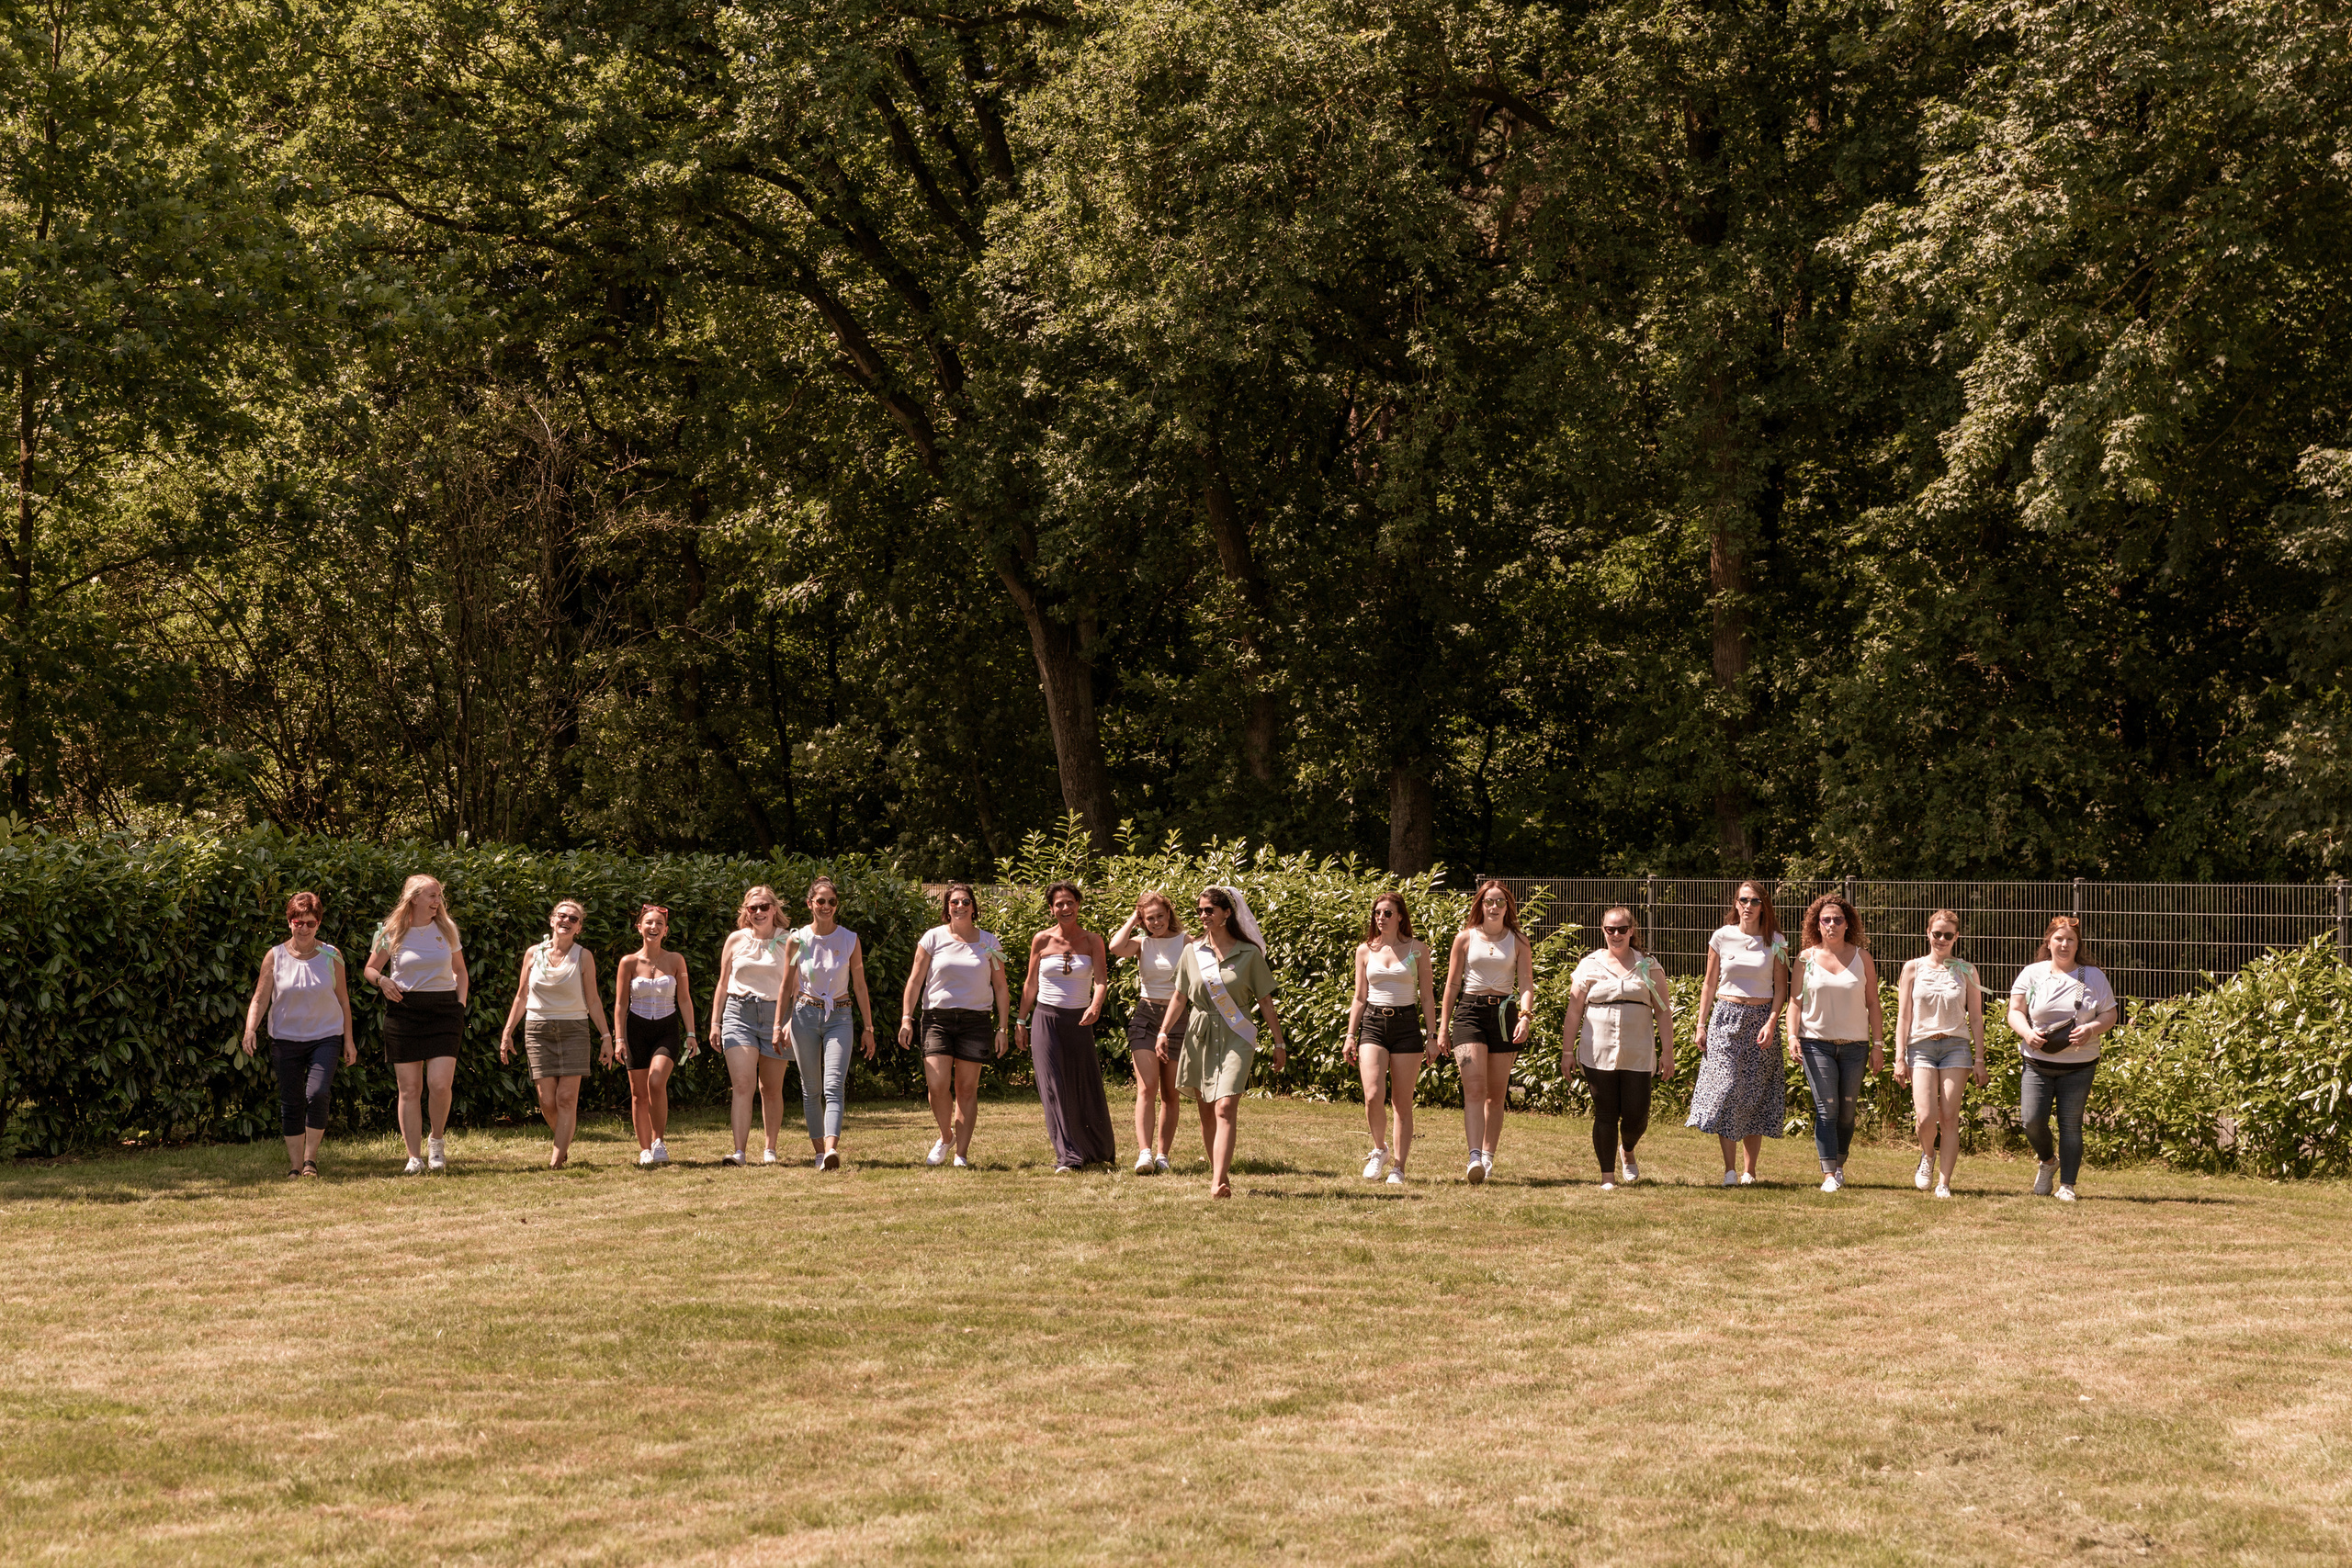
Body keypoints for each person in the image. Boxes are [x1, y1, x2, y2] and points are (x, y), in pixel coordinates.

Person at [1153, 885, 1286, 1198]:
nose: (1203, 916)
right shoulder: (1192, 952)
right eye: (1199, 911)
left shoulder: (1249, 953)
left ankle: (1218, 1182)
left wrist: (1279, 1043)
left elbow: (1265, 1001)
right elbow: (1180, 995)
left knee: (1225, 1105)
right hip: (1199, 1032)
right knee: (1206, 1109)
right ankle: (1221, 1175)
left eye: (1209, 910)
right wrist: (1163, 1031)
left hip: (1236, 1034)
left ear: (1227, 913)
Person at [240, 891, 357, 1179]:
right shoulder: (275, 956)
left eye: (310, 922)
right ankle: (295, 1165)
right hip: (285, 1038)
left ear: (318, 923)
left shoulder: (332, 955)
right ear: (289, 921)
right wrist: (250, 1029)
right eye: (297, 921)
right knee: (291, 1100)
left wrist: (349, 1040)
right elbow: (259, 998)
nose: (303, 928)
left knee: (317, 1094)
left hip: (325, 1037)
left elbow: (343, 1000)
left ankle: (310, 1162)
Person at [1559, 906, 1675, 1189]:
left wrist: (1668, 1052)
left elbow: (1663, 1011)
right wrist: (1566, 1051)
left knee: (1637, 1115)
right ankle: (1607, 1177)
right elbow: (1574, 1010)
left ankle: (1628, 1148)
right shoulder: (1589, 965)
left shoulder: (1648, 965)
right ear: (1603, 931)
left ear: (1632, 931)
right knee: (1606, 1112)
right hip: (1597, 1051)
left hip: (1638, 1051)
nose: (1616, 934)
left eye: (1622, 929)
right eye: (1610, 929)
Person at [364, 874, 470, 1174]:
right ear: (414, 898)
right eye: (432, 896)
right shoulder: (392, 931)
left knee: (439, 1084)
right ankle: (414, 1157)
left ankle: (436, 1142)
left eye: (438, 896)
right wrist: (383, 981)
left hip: (444, 1012)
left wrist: (459, 1005)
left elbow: (460, 971)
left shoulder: (447, 929)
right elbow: (370, 969)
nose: (437, 902)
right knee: (409, 1089)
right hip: (404, 1012)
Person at [497, 898, 614, 1168]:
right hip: (537, 1030)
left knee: (566, 1098)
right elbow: (522, 996)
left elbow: (594, 1000)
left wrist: (606, 1037)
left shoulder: (583, 956)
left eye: (574, 919)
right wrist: (507, 1032)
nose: (567, 921)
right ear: (552, 920)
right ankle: (564, 1142)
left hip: (574, 1029)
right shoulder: (532, 954)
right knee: (547, 1101)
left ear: (579, 928)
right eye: (562, 916)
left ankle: (556, 1159)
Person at [899, 883, 1009, 1168]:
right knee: (937, 1085)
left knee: (967, 1088)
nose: (959, 906)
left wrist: (1003, 1028)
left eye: (965, 901)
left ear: (974, 907)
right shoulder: (932, 938)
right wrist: (906, 1018)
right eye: (954, 902)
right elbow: (915, 980)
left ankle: (961, 1153)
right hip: (937, 1019)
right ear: (947, 908)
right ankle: (946, 1137)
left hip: (976, 1021)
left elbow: (1001, 987)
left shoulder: (989, 943)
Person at [2008, 915, 2118, 1201]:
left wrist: (2092, 1028)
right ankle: (2047, 1161)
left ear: (2078, 944)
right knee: (2031, 1120)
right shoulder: (2033, 974)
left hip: (2079, 1065)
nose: (2064, 944)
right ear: (2049, 941)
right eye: (2059, 938)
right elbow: (2016, 1010)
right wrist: (2026, 1033)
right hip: (2036, 1062)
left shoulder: (2093, 976)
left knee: (2070, 1124)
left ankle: (2067, 1185)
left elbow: (2110, 1014)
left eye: (2071, 939)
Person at [1688, 880, 1791, 1185]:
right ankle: (1729, 1169)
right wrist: (1700, 1023)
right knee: (1728, 1087)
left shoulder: (1777, 942)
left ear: (1764, 906)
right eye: (1743, 900)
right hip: (1724, 1018)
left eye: (1755, 901)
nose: (1748, 905)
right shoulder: (1722, 937)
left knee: (1754, 1094)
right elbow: (1709, 983)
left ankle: (1749, 1171)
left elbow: (1781, 987)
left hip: (1760, 1019)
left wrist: (1772, 1022)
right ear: (1736, 904)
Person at [776, 875, 877, 1169]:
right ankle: (819, 1152)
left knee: (834, 1085)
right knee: (811, 1089)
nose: (826, 906)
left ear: (837, 905)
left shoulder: (850, 939)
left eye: (832, 902)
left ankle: (832, 1150)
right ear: (810, 904)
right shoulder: (797, 939)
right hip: (804, 1014)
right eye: (820, 901)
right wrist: (777, 1024)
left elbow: (860, 986)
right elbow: (785, 986)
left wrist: (868, 1028)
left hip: (840, 1015)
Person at [1438, 878, 1535, 1185]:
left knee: (1496, 1094)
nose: (1493, 907)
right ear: (1480, 905)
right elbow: (1452, 984)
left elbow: (1526, 984)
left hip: (1505, 1015)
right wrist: (1442, 1027)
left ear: (1508, 906)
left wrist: (1525, 1016)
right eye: (1488, 901)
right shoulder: (1465, 938)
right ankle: (1474, 1157)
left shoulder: (1518, 941)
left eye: (1500, 902)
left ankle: (1489, 1158)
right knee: (1475, 1089)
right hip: (1469, 1013)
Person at [1017, 880, 1117, 1173]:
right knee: (1054, 1087)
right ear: (1051, 909)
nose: (1065, 908)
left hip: (1080, 1019)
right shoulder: (1042, 940)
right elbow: (1030, 984)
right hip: (1046, 1020)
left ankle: (1097, 1149)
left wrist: (1095, 1005)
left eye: (1070, 902)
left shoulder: (1092, 941)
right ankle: (1069, 1157)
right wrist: (1021, 1021)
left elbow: (1100, 981)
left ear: (1078, 905)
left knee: (1084, 1084)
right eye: (1059, 904)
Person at [1786, 893, 1883, 1194]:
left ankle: (1840, 1164)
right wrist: (1791, 1036)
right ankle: (1828, 1173)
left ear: (1847, 923)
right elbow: (1795, 1002)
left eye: (1837, 919)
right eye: (1826, 919)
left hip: (1856, 1046)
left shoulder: (1862, 957)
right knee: (1826, 1108)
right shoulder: (1805, 958)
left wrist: (1878, 1045)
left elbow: (1873, 1003)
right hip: (1816, 1044)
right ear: (1817, 924)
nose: (1831, 924)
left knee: (1847, 1111)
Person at [1343, 892, 1435, 1185]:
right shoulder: (1364, 951)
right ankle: (1379, 1149)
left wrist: (1432, 1035)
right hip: (1372, 1022)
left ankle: (1399, 1167)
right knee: (1372, 1095)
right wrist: (1349, 1035)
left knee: (1401, 1102)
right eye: (1377, 913)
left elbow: (1428, 996)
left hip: (1407, 1024)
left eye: (1387, 913)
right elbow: (1359, 997)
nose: (1380, 918)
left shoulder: (1418, 949)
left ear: (1400, 917)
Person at [1894, 908, 1985, 1198]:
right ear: (1928, 933)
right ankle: (1927, 1155)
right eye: (1937, 934)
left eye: (1948, 935)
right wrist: (1899, 1057)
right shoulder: (1913, 968)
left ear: (1956, 937)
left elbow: (1976, 1018)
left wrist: (1980, 1058)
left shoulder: (1966, 970)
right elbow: (1904, 1017)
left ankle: (1944, 1183)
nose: (1942, 939)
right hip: (1920, 1046)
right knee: (1925, 1116)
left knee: (1948, 1116)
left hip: (1955, 1047)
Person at [1109, 890, 1188, 1175]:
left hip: (1179, 1019)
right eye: (1149, 918)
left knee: (1170, 1093)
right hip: (1145, 1017)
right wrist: (1133, 918)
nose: (1155, 922)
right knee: (1147, 1087)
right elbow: (1115, 946)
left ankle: (1163, 1155)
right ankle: (1144, 1153)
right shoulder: (1141, 944)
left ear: (1169, 915)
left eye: (1160, 916)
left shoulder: (1186, 941)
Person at [708, 885, 787, 1167]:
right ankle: (739, 1152)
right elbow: (722, 982)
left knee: (771, 1088)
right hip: (738, 1013)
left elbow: (798, 984)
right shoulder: (735, 940)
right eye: (752, 908)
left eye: (764, 907)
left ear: (774, 909)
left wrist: (788, 1021)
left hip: (776, 1015)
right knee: (743, 1084)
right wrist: (715, 1022)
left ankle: (770, 1149)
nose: (758, 912)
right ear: (746, 912)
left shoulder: (789, 940)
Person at [614, 904, 697, 1168]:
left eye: (659, 924)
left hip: (666, 1029)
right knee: (638, 1093)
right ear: (639, 927)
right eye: (649, 923)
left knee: (656, 1081)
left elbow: (684, 999)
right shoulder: (628, 962)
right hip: (635, 1030)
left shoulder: (675, 960)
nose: (653, 927)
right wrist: (619, 1039)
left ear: (666, 930)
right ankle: (644, 1149)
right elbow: (620, 1005)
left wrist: (691, 1033)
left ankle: (659, 1141)